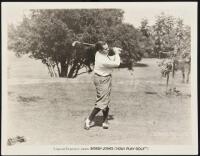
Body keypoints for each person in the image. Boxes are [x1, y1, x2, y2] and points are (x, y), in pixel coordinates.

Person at [84, 41, 122, 130]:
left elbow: (109, 57)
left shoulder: (99, 53)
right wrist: (116, 53)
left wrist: (114, 50)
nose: (108, 49)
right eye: (105, 49)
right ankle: (88, 120)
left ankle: (105, 121)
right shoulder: (102, 60)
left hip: (106, 78)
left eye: (108, 47)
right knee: (101, 101)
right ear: (100, 50)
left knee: (106, 99)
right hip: (101, 79)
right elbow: (117, 63)